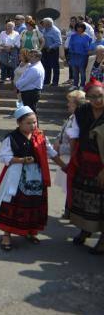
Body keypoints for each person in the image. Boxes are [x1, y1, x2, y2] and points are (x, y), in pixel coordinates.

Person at [0, 106, 66, 251]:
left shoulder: (40, 136)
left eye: (34, 122)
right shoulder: (11, 138)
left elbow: (51, 152)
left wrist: (64, 166)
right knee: (12, 204)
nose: (33, 126)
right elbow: (3, 156)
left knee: (34, 203)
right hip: (16, 176)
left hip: (36, 176)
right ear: (19, 123)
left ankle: (31, 231)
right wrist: (21, 160)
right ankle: (6, 234)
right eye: (28, 123)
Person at [65, 81, 104, 254]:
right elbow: (74, 134)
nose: (97, 100)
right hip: (85, 160)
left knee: (101, 201)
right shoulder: (82, 111)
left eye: (100, 96)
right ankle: (86, 229)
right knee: (83, 197)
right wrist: (74, 157)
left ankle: (103, 239)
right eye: (93, 97)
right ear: (87, 98)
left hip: (102, 163)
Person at [53, 89, 86, 218]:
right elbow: (63, 131)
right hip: (65, 155)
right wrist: (57, 141)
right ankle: (69, 209)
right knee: (68, 185)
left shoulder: (79, 119)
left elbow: (76, 143)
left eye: (70, 103)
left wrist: (60, 148)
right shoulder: (72, 117)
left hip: (69, 156)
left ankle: (71, 210)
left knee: (71, 185)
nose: (68, 105)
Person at [15, 50, 45, 114]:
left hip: (31, 93)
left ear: (37, 58)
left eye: (31, 56)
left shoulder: (35, 68)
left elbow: (25, 81)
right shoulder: (32, 66)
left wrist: (17, 84)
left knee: (30, 113)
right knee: (30, 113)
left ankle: (34, 124)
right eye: (29, 56)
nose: (29, 58)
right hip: (29, 93)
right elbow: (23, 77)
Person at [67, 23, 92, 90]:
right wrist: (70, 54)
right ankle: (75, 84)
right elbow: (70, 45)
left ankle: (82, 85)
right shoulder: (73, 36)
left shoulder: (87, 37)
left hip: (83, 56)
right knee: (75, 71)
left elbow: (89, 47)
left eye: (81, 27)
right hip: (73, 55)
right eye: (78, 27)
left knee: (82, 71)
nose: (79, 28)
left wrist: (87, 52)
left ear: (83, 28)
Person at [40, 18, 62, 87]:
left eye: (44, 24)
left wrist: (50, 47)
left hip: (53, 50)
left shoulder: (55, 31)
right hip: (45, 50)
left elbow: (59, 42)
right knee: (46, 66)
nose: (43, 25)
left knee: (55, 67)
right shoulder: (44, 29)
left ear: (48, 24)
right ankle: (46, 81)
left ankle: (55, 82)